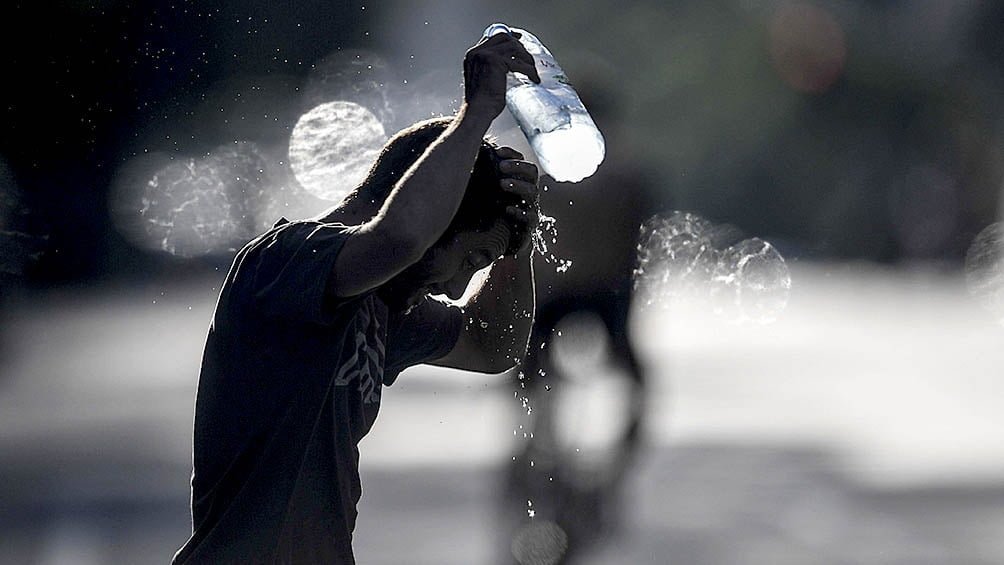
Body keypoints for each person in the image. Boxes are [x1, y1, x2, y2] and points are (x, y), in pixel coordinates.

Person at [173, 31, 541, 564]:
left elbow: (493, 347)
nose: (458, 288)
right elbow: (400, 238)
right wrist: (476, 116)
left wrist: (517, 246)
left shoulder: (385, 309)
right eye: (467, 261)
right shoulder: (284, 263)